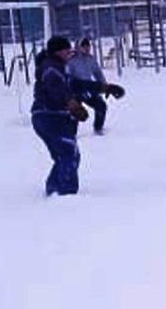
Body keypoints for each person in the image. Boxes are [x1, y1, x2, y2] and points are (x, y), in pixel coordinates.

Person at [31, 36, 90, 196]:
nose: (70, 53)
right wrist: (71, 104)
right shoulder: (51, 67)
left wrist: (104, 87)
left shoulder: (59, 67)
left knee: (66, 155)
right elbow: (56, 87)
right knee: (68, 153)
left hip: (50, 117)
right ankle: (65, 195)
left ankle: (54, 189)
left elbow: (76, 85)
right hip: (49, 116)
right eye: (67, 50)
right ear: (58, 51)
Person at [66, 37, 120, 135]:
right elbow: (67, 76)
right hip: (75, 90)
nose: (87, 49)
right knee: (76, 111)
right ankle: (71, 132)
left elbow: (97, 73)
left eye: (88, 46)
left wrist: (104, 86)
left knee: (101, 106)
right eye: (84, 47)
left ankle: (98, 128)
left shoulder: (90, 59)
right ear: (79, 47)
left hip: (89, 88)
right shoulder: (72, 60)